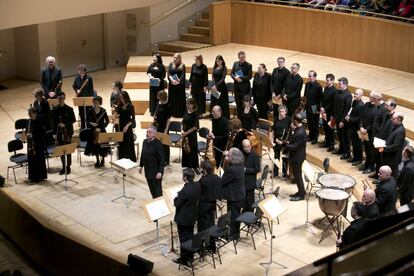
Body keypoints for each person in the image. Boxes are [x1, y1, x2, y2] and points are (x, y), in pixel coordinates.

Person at [173, 168, 201, 267]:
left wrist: (176, 197)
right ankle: (190, 257)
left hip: (183, 219)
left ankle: (184, 259)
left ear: (185, 177)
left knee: (184, 239)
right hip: (192, 216)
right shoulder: (197, 185)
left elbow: (177, 204)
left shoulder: (185, 191)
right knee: (190, 236)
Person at [277, 113, 306, 201]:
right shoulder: (298, 129)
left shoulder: (300, 133)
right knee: (297, 176)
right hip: (295, 156)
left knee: (298, 176)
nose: (292, 122)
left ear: (296, 121)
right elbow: (293, 143)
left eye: (293, 121)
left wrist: (283, 144)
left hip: (297, 158)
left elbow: (295, 147)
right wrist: (286, 142)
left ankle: (301, 195)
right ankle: (300, 191)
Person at [221, 148, 245, 240]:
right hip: (239, 194)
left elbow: (223, 181)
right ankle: (235, 233)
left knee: (233, 216)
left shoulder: (232, 169)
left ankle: (233, 235)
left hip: (234, 196)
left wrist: (225, 160)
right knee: (236, 215)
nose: (227, 157)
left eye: (229, 155)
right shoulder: (241, 165)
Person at [139, 126, 165, 198]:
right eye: (147, 132)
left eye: (150, 132)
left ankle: (160, 203)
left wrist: (160, 171)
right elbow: (142, 154)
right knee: (152, 190)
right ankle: (155, 202)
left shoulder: (158, 144)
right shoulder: (144, 141)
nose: (147, 133)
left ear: (154, 134)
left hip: (156, 172)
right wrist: (141, 166)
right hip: (147, 171)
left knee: (157, 191)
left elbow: (162, 159)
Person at [53, 93, 76, 175]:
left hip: (67, 132)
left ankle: (68, 166)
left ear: (64, 98)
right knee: (61, 150)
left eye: (62, 98)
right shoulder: (55, 109)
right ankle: (63, 167)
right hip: (59, 132)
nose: (60, 100)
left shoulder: (69, 109)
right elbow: (53, 122)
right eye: (59, 98)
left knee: (68, 149)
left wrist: (65, 124)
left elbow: (73, 120)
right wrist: (54, 133)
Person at [197, 159, 222, 232]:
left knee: (203, 225)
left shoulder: (203, 180)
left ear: (204, 170)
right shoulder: (216, 177)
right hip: (212, 204)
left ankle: (204, 240)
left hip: (203, 205)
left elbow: (198, 192)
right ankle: (211, 239)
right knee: (211, 221)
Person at [84, 96, 109, 168]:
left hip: (101, 130)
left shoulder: (103, 111)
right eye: (94, 102)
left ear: (99, 103)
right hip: (93, 130)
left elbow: (107, 121)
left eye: (97, 103)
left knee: (102, 146)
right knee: (95, 146)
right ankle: (97, 160)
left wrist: (102, 127)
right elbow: (87, 120)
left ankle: (103, 160)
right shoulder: (90, 110)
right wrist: (92, 123)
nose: (95, 104)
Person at [332, 77, 352, 160]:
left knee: (345, 137)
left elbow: (347, 110)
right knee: (340, 136)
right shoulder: (338, 92)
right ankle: (341, 149)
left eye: (340, 84)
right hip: (337, 118)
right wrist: (333, 115)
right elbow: (335, 105)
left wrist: (342, 121)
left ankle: (347, 153)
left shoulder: (348, 95)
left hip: (343, 121)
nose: (338, 85)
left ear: (345, 84)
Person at [380, 112, 406, 178]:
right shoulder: (394, 126)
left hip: (393, 158)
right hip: (388, 155)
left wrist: (384, 148)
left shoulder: (400, 131)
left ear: (399, 119)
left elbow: (395, 146)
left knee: (391, 176)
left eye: (393, 119)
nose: (391, 120)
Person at [359, 92, 379, 172]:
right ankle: (366, 164)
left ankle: (371, 167)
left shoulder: (377, 108)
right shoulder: (366, 104)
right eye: (369, 97)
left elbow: (374, 122)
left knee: (371, 151)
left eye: (371, 97)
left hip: (371, 133)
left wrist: (366, 129)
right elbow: (362, 116)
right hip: (363, 131)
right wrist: (360, 126)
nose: (370, 98)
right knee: (366, 149)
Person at [26, 107, 47, 183]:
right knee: (31, 160)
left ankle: (40, 177)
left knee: (38, 160)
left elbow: (42, 133)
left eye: (30, 114)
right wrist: (26, 135)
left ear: (35, 113)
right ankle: (32, 177)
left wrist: (32, 135)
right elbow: (26, 131)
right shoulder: (29, 122)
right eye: (29, 114)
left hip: (38, 144)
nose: (29, 115)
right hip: (31, 144)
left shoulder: (39, 122)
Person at [370, 92, 387, 177]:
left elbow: (383, 125)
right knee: (376, 156)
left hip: (379, 138)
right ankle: (377, 173)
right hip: (376, 136)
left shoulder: (383, 108)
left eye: (373, 99)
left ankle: (380, 176)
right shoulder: (378, 107)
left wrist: (379, 138)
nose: (372, 101)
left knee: (380, 158)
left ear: (377, 99)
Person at [345, 89, 364, 164]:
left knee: (358, 144)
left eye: (357, 94)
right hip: (352, 127)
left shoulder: (361, 105)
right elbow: (351, 110)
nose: (354, 95)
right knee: (353, 143)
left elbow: (360, 118)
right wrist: (348, 115)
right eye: (354, 93)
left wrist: (350, 119)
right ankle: (355, 157)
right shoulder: (354, 102)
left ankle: (359, 159)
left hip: (357, 128)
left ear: (361, 95)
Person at [231, 51, 252, 117]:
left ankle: (245, 119)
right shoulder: (235, 64)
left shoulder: (249, 65)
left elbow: (249, 76)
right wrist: (235, 78)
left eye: (243, 57)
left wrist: (241, 78)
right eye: (241, 57)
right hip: (236, 88)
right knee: (238, 105)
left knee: (245, 105)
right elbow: (231, 73)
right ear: (238, 57)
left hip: (244, 89)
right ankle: (239, 119)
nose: (242, 59)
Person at [72, 64, 94, 129]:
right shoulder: (77, 78)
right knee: (81, 113)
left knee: (88, 113)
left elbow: (91, 89)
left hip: (87, 98)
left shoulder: (89, 78)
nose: (81, 72)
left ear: (85, 71)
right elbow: (73, 85)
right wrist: (77, 90)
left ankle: (89, 125)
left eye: (82, 71)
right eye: (80, 71)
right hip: (80, 99)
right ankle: (83, 126)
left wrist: (91, 99)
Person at [116, 91, 136, 162]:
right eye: (120, 97)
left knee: (128, 143)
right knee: (121, 143)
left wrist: (127, 126)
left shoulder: (130, 106)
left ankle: (129, 159)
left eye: (122, 97)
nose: (121, 99)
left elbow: (133, 119)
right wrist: (115, 116)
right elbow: (117, 116)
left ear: (125, 97)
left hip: (127, 127)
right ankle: (122, 158)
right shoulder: (119, 106)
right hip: (120, 126)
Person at [304, 70, 322, 144]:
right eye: (308, 76)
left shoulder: (318, 86)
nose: (309, 77)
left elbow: (320, 99)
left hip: (315, 107)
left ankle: (315, 138)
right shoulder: (307, 84)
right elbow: (305, 95)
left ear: (314, 77)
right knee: (309, 122)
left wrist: (318, 109)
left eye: (310, 76)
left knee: (315, 123)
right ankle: (310, 136)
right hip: (308, 106)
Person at [242, 139, 260, 212]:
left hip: (250, 181)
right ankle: (244, 212)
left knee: (250, 200)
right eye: (245, 147)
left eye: (248, 146)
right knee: (244, 199)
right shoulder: (242, 154)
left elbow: (257, 169)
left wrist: (246, 170)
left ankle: (250, 214)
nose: (247, 148)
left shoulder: (255, 155)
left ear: (251, 145)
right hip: (243, 181)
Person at [320, 74, 337, 152]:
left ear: (332, 81)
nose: (326, 81)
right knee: (326, 128)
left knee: (331, 129)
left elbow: (333, 103)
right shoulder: (326, 88)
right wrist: (321, 107)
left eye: (328, 80)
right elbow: (322, 99)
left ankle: (331, 145)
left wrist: (325, 109)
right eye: (326, 79)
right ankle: (327, 142)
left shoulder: (335, 90)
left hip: (331, 114)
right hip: (324, 113)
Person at [153, 90, 171, 165]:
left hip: (164, 127)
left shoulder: (167, 106)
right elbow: (155, 112)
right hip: (157, 126)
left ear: (162, 97)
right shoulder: (158, 103)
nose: (157, 97)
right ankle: (158, 158)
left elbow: (168, 119)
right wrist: (154, 118)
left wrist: (166, 130)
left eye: (158, 96)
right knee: (157, 143)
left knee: (164, 144)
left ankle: (166, 160)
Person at [272, 105, 290, 177]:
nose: (281, 113)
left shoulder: (288, 119)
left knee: (284, 157)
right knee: (276, 156)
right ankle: (275, 172)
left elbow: (290, 131)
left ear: (285, 112)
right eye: (280, 111)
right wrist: (273, 139)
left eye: (282, 112)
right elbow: (273, 130)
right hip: (277, 139)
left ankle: (284, 173)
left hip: (284, 140)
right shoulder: (276, 119)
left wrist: (284, 141)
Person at [181, 98, 199, 169]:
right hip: (185, 134)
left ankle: (191, 166)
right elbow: (182, 122)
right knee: (185, 149)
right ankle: (185, 165)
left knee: (191, 150)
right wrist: (182, 130)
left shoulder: (195, 114)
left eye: (189, 104)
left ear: (193, 105)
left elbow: (195, 127)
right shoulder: (186, 111)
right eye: (187, 103)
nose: (187, 105)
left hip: (191, 135)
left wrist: (186, 133)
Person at [167, 53, 186, 118]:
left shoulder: (182, 65)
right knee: (172, 98)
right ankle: (172, 112)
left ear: (179, 58)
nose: (175, 59)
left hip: (179, 86)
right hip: (172, 85)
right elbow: (168, 73)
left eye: (177, 58)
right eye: (174, 58)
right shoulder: (170, 64)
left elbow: (183, 76)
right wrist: (171, 80)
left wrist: (178, 81)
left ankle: (179, 113)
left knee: (178, 99)